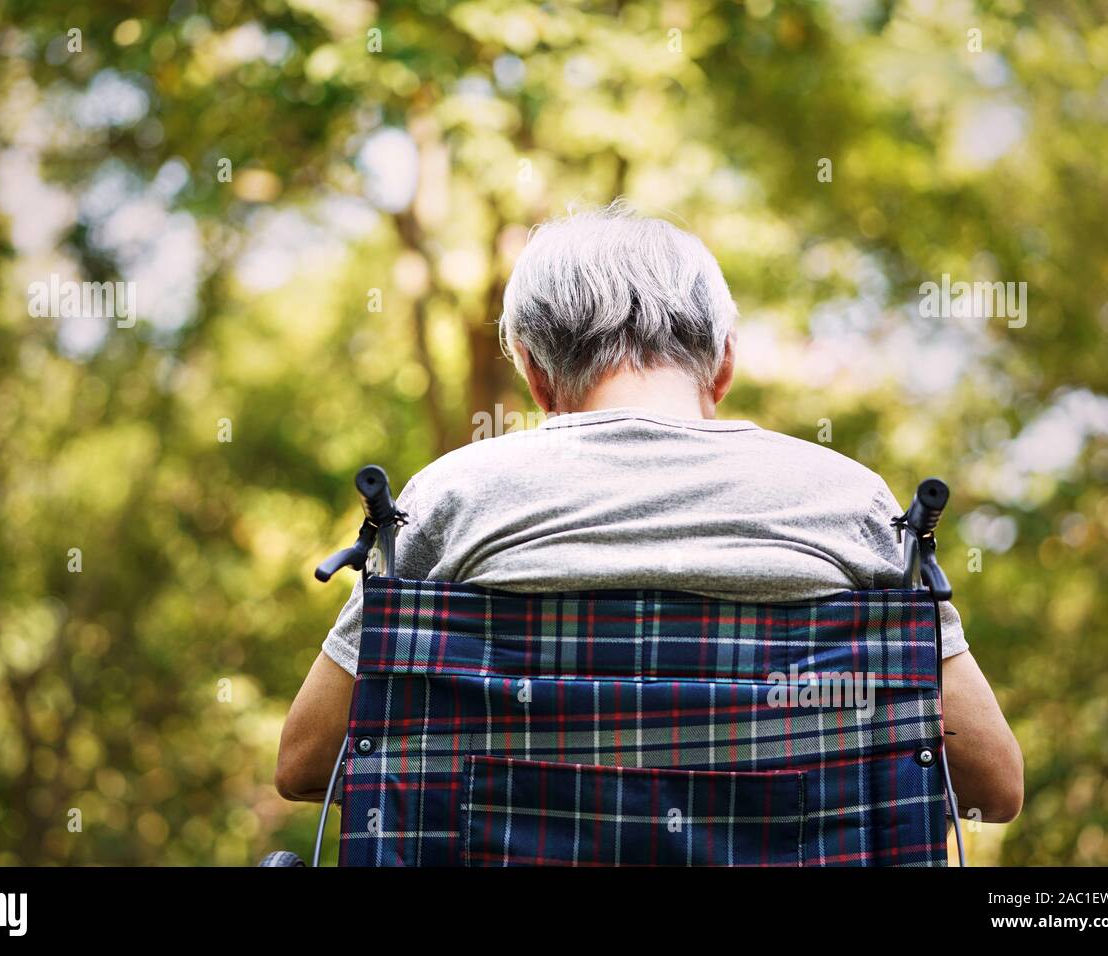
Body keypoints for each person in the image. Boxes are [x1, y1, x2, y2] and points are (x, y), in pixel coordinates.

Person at [276, 205, 1023, 824]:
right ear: (724, 363)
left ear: (535, 374)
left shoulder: (449, 500)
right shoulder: (848, 505)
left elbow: (308, 763)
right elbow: (993, 787)